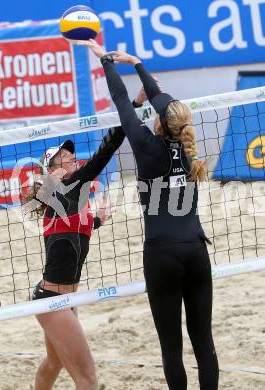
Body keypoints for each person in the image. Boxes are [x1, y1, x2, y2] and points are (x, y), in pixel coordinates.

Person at [80, 39, 219, 390]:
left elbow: (122, 101)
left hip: (161, 254)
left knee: (171, 349)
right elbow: (162, 100)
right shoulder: (190, 150)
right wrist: (138, 63)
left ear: (158, 123)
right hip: (196, 251)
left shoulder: (145, 145)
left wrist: (107, 60)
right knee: (204, 343)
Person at [23, 127, 125, 390]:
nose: (71, 157)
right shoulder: (64, 189)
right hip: (53, 300)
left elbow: (77, 231)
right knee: (88, 378)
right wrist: (128, 115)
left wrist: (99, 219)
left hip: (65, 300)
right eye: (64, 155)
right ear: (53, 169)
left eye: (71, 153)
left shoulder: (72, 202)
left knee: (53, 364)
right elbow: (101, 157)